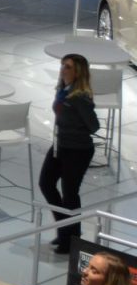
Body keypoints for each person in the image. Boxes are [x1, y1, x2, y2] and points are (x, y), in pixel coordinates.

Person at [43, 53, 100, 255]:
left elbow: (94, 125)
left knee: (70, 194)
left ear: (77, 72)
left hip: (77, 150)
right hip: (60, 146)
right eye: (62, 65)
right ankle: (66, 230)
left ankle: (70, 239)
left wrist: (73, 127)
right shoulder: (63, 91)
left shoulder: (80, 97)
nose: (62, 69)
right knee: (46, 183)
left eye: (67, 67)